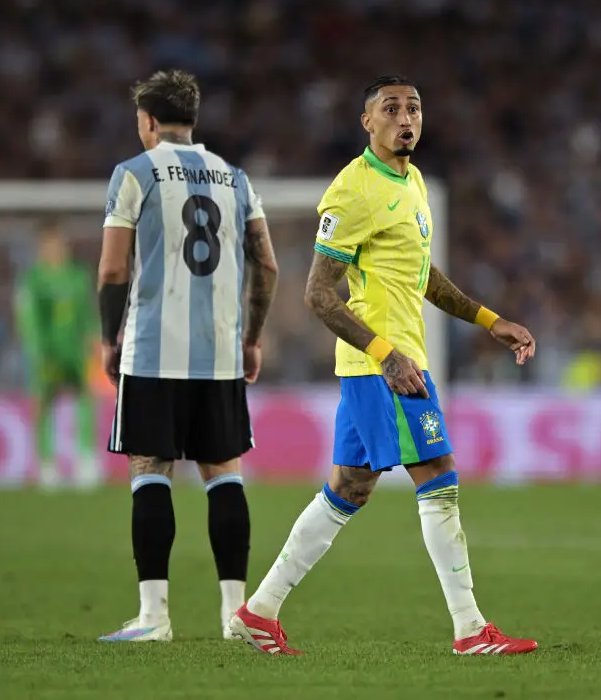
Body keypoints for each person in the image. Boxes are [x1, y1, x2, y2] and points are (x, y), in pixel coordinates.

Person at [228, 75, 538, 657]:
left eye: (415, 107)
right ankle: (471, 629)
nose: (406, 117)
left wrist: (488, 319)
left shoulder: (412, 181)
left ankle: (258, 611)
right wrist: (387, 356)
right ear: (366, 122)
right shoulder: (353, 190)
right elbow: (319, 294)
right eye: (391, 108)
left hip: (385, 363)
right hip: (385, 365)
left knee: (348, 487)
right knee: (439, 476)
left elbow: (423, 278)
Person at [95, 70, 279, 642]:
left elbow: (112, 268)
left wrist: (108, 338)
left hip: (153, 350)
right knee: (223, 474)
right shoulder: (235, 178)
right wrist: (250, 337)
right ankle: (236, 617)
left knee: (151, 470)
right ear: (191, 121)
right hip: (220, 353)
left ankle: (154, 618)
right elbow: (266, 264)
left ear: (148, 122)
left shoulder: (134, 174)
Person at [14, 220, 99, 489]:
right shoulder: (33, 280)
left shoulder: (78, 275)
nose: (56, 250)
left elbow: (87, 312)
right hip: (46, 351)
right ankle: (47, 463)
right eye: (50, 245)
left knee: (85, 398)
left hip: (74, 350)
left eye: (60, 244)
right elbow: (29, 318)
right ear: (41, 248)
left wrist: (94, 336)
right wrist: (37, 350)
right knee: (44, 403)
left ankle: (84, 459)